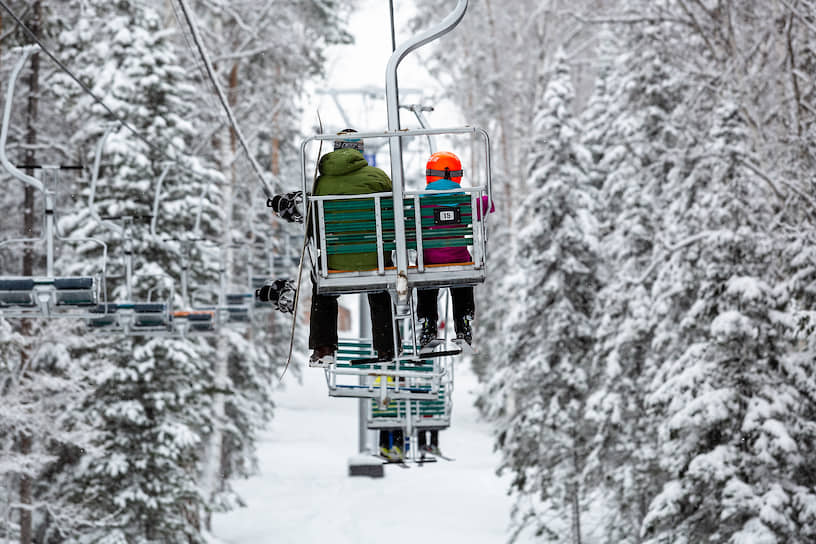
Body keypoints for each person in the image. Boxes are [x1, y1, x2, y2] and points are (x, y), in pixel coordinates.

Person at [308, 129, 397, 364]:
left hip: (335, 261)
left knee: (321, 285)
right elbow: (393, 214)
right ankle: (386, 348)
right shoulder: (378, 177)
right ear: (360, 151)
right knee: (380, 284)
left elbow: (313, 224)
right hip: (374, 258)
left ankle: (324, 347)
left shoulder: (321, 182)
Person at [415, 151, 494, 349]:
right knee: (462, 274)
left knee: (425, 277)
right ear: (456, 174)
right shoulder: (467, 202)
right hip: (458, 258)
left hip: (430, 260)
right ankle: (463, 322)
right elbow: (488, 204)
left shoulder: (419, 202)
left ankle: (428, 324)